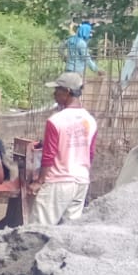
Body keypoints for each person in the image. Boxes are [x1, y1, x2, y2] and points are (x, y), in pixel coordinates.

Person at [30, 73, 97, 225]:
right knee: (68, 231)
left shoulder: (56, 121)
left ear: (67, 92)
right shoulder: (90, 120)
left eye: (57, 90)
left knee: (37, 229)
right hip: (81, 182)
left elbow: (49, 155)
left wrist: (39, 181)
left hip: (58, 182)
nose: (54, 94)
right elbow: (91, 153)